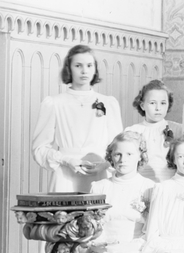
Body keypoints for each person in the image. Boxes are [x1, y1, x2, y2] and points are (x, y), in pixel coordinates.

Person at [31, 43, 124, 192]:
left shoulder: (108, 103)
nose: (84, 71)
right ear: (69, 68)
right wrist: (66, 160)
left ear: (95, 69)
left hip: (99, 175)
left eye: (89, 65)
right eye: (78, 65)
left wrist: (104, 165)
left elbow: (119, 147)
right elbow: (39, 148)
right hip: (65, 176)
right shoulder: (54, 103)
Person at [87, 133, 156, 253]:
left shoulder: (150, 188)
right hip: (103, 251)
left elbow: (153, 231)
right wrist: (102, 246)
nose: (123, 160)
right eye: (118, 154)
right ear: (111, 156)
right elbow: (91, 226)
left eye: (129, 154)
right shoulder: (99, 187)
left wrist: (125, 248)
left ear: (140, 156)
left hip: (137, 251)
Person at [125, 79, 182, 183]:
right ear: (142, 105)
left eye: (163, 103)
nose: (158, 108)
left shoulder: (178, 129)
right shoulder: (132, 131)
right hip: (140, 184)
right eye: (152, 103)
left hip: (170, 183)